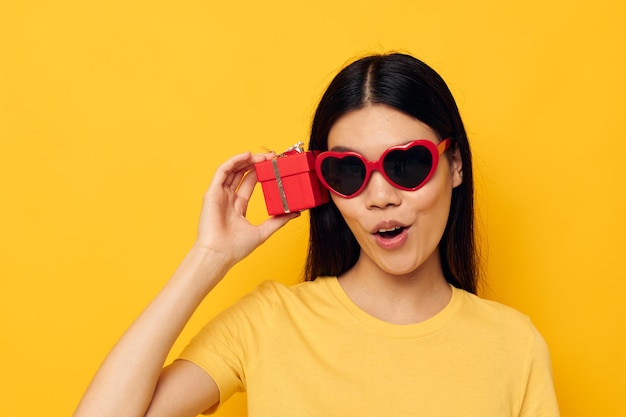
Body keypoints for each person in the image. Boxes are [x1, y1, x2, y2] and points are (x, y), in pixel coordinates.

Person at [73, 53, 560, 417]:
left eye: (407, 163)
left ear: (454, 165)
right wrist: (209, 257)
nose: (380, 197)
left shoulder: (513, 345)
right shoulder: (270, 322)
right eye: (349, 172)